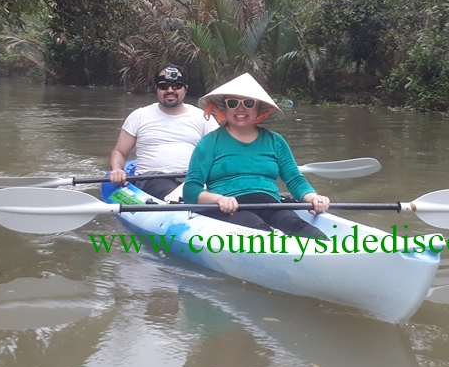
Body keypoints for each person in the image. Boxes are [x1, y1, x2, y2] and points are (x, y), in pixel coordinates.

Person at [183, 73, 329, 239]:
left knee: (306, 230)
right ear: (225, 108)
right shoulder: (209, 142)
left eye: (249, 103)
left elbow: (294, 179)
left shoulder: (275, 141)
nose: (240, 109)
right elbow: (190, 189)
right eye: (233, 103)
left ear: (259, 108)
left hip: (271, 205)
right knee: (258, 230)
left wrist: (313, 197)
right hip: (229, 209)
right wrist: (218, 199)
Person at [109, 65, 219, 199]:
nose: (170, 90)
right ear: (156, 89)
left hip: (192, 178)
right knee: (175, 193)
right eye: (163, 86)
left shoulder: (203, 118)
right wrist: (117, 169)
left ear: (185, 88)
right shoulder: (139, 116)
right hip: (152, 178)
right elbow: (119, 152)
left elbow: (220, 152)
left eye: (176, 86)